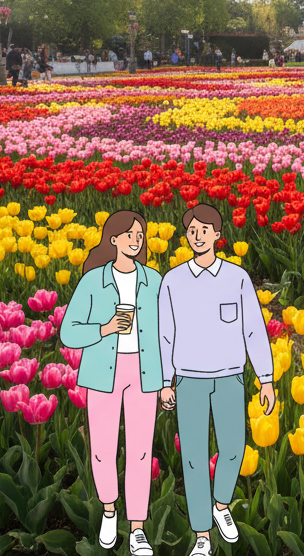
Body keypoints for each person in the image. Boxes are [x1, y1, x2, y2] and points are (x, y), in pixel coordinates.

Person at [158, 204, 276, 556]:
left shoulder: (236, 278)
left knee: (234, 449)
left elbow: (254, 329)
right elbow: (165, 335)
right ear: (187, 236)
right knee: (193, 458)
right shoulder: (173, 281)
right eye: (192, 231)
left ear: (217, 236)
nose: (197, 236)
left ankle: (221, 504)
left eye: (204, 230)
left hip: (229, 377)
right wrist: (166, 381)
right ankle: (202, 537)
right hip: (189, 379)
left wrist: (266, 378)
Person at [60, 210, 163, 556]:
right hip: (103, 370)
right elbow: (68, 331)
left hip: (143, 372)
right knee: (103, 448)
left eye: (140, 235)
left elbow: (166, 334)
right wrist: (104, 329)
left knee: (140, 450)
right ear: (113, 239)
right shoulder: (93, 281)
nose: (137, 240)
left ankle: (136, 529)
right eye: (130, 234)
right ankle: (108, 510)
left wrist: (167, 380)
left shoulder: (154, 281)